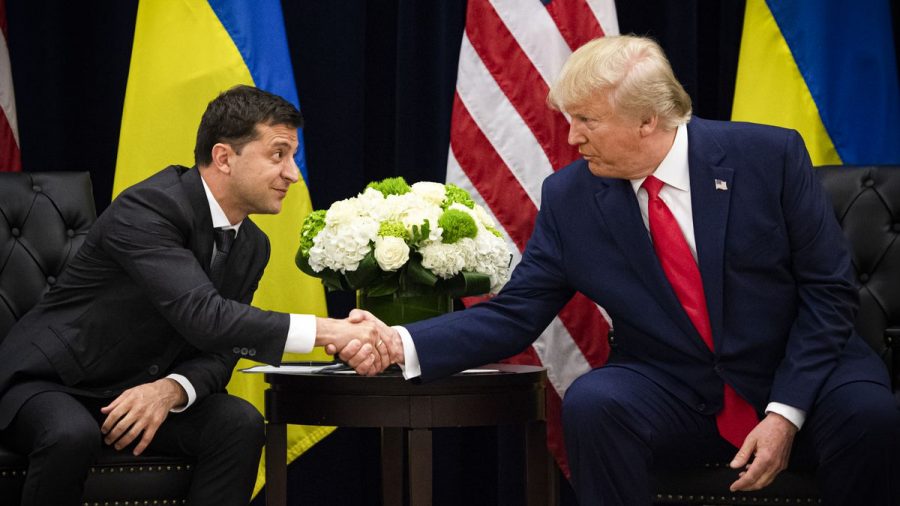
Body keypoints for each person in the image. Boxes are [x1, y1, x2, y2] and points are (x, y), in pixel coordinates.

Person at [352, 35, 900, 505]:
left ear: (648, 121)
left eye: (587, 121)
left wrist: (784, 413)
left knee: (870, 413)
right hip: (676, 387)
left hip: (802, 373)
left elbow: (829, 293)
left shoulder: (768, 157)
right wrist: (400, 342)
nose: (572, 139)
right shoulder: (570, 197)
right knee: (595, 404)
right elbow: (516, 314)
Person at [0, 85, 391, 506]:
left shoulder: (252, 245)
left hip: (139, 391)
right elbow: (205, 316)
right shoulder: (148, 208)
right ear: (224, 157)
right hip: (51, 381)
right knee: (70, 434)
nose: (293, 174)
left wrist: (171, 388)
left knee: (238, 422)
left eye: (292, 157)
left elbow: (222, 348)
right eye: (278, 155)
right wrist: (330, 331)